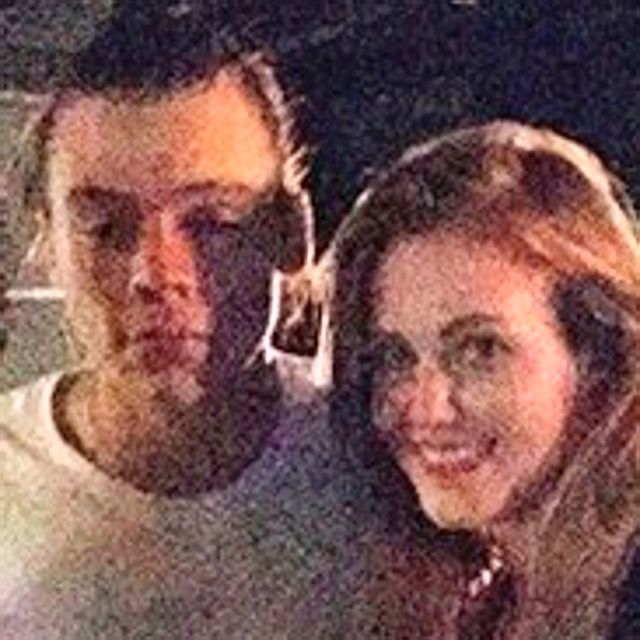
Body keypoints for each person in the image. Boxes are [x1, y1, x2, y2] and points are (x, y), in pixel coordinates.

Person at [0, 12, 368, 639]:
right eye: (106, 229)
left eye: (212, 224)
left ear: (292, 232)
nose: (156, 272)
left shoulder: (387, 464)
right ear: (47, 245)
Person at [326, 121, 640, 639]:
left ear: (598, 353)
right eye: (394, 357)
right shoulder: (488, 607)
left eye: (480, 350)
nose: (427, 410)